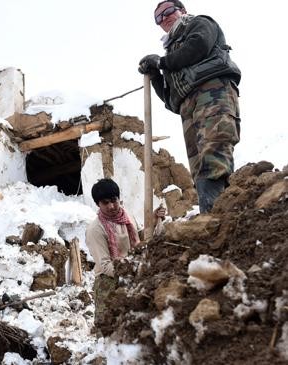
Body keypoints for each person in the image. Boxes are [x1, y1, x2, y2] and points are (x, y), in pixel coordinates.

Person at [138, 0, 241, 213]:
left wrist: (161, 62)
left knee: (214, 152)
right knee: (198, 166)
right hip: (187, 107)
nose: (164, 18)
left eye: (168, 11)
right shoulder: (171, 53)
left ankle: (218, 219)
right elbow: (169, 99)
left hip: (211, 92)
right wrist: (156, 75)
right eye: (158, 18)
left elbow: (199, 46)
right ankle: (214, 215)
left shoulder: (198, 23)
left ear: (182, 11)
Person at [85, 179, 165, 327]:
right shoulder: (95, 229)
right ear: (98, 204)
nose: (111, 206)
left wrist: (153, 220)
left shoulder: (126, 217)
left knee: (132, 325)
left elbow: (137, 240)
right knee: (109, 327)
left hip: (131, 273)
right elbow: (105, 265)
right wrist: (131, 270)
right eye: (105, 202)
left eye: (114, 200)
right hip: (109, 282)